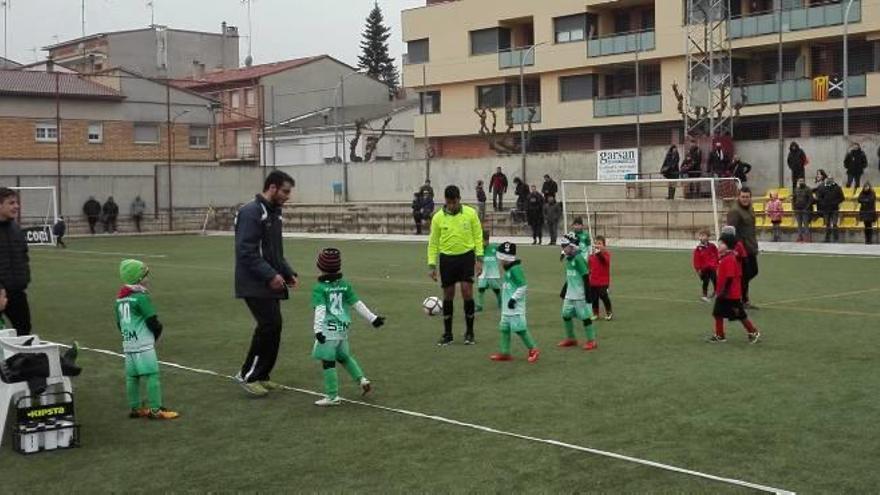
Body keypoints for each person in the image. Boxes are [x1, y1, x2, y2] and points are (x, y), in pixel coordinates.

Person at [234, 170, 298, 397]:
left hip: (269, 280)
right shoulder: (251, 212)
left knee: (273, 326)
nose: (288, 196)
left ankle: (261, 375)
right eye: (285, 191)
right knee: (269, 325)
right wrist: (270, 275)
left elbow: (274, 251)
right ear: (272, 187)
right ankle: (248, 375)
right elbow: (246, 251)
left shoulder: (274, 213)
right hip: (254, 282)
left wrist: (288, 273)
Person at [310, 248, 386, 407]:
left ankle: (332, 396)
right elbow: (357, 304)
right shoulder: (344, 284)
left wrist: (318, 330)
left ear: (320, 266)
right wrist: (373, 318)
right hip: (342, 329)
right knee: (344, 357)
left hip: (327, 330)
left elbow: (320, 310)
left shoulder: (319, 288)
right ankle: (362, 379)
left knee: (328, 362)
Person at [115, 259, 179, 420]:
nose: (147, 279)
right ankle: (155, 410)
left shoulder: (120, 299)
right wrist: (155, 337)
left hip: (128, 343)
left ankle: (135, 408)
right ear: (137, 279)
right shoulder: (140, 298)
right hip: (143, 344)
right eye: (145, 276)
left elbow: (119, 324)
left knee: (132, 376)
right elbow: (153, 321)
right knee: (152, 375)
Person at [428, 185, 483, 346]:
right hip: (447, 259)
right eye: (449, 202)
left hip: (466, 257)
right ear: (445, 201)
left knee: (467, 292)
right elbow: (433, 242)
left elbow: (478, 236)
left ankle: (470, 332)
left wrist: (479, 259)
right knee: (448, 294)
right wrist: (432, 264)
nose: (452, 205)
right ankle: (448, 333)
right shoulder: (438, 217)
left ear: (459, 199)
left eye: (454, 202)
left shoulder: (470, 213)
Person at [707, 232, 761, 344]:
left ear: (729, 245)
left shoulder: (730, 259)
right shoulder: (724, 257)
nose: (719, 246)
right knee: (717, 313)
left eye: (722, 244)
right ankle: (720, 335)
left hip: (731, 295)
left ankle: (753, 332)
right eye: (719, 243)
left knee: (740, 315)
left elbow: (730, 277)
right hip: (723, 293)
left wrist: (724, 291)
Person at [489, 242, 540, 363]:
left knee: (520, 329)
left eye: (501, 259)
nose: (500, 261)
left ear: (507, 258)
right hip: (507, 308)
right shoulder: (508, 269)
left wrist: (513, 299)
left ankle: (534, 349)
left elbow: (523, 286)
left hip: (515, 307)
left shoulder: (515, 269)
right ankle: (505, 352)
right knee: (504, 328)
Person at [556, 234, 596, 350]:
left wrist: (588, 295)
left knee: (585, 317)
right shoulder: (569, 258)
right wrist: (564, 290)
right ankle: (571, 338)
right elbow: (570, 277)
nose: (562, 249)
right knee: (565, 314)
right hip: (570, 294)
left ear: (572, 246)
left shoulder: (578, 259)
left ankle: (592, 341)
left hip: (580, 295)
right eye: (562, 246)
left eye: (564, 246)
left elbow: (585, 276)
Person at [0, 188, 31, 336]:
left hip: (17, 292)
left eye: (17, 202)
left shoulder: (16, 228)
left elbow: (23, 257)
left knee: (24, 332)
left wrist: (24, 283)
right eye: (11, 203)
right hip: (0, 292)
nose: (16, 206)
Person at [726, 187, 759, 309]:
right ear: (738, 197)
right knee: (745, 274)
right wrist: (734, 249)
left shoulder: (750, 208)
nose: (745, 199)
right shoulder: (735, 211)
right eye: (743, 197)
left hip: (751, 246)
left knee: (753, 271)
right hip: (741, 249)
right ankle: (743, 300)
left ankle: (735, 291)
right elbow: (730, 231)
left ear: (750, 197)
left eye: (747, 197)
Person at [475, 230, 502, 313]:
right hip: (483, 273)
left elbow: (504, 253)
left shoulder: (494, 247)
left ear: (487, 240)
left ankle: (500, 302)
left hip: (493, 273)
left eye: (484, 240)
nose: (483, 243)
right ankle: (479, 306)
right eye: (481, 241)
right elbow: (476, 261)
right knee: (481, 288)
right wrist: (478, 270)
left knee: (496, 289)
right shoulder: (478, 249)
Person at [589, 236, 612, 321]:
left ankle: (609, 312)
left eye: (599, 244)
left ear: (604, 245)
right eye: (596, 243)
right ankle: (596, 314)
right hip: (593, 281)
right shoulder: (592, 256)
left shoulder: (606, 254)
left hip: (603, 282)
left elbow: (604, 261)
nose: (597, 245)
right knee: (594, 298)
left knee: (603, 296)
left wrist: (599, 254)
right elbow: (589, 267)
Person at [816, 176, 845, 243]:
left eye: (830, 179)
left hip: (834, 208)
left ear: (833, 180)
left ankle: (836, 238)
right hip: (826, 209)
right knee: (827, 224)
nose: (829, 180)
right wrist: (823, 203)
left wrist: (836, 202)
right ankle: (827, 238)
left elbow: (842, 198)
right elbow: (819, 197)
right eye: (828, 179)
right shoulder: (822, 188)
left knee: (834, 224)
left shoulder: (837, 188)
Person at [693, 230, 718, 302]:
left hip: (712, 267)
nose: (702, 237)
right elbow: (696, 260)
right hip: (704, 269)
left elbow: (716, 254)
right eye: (701, 236)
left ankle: (716, 292)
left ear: (708, 237)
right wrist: (698, 269)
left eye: (704, 235)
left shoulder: (712, 246)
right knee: (706, 281)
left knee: (715, 280)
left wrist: (716, 263)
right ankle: (704, 295)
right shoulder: (698, 249)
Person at [792, 178, 814, 242]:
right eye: (799, 181)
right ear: (798, 182)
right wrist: (794, 207)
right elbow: (794, 198)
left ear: (804, 182)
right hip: (797, 209)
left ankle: (807, 237)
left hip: (805, 210)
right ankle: (800, 236)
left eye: (802, 181)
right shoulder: (796, 189)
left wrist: (807, 207)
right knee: (799, 224)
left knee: (806, 224)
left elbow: (811, 199)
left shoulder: (808, 189)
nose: (801, 182)